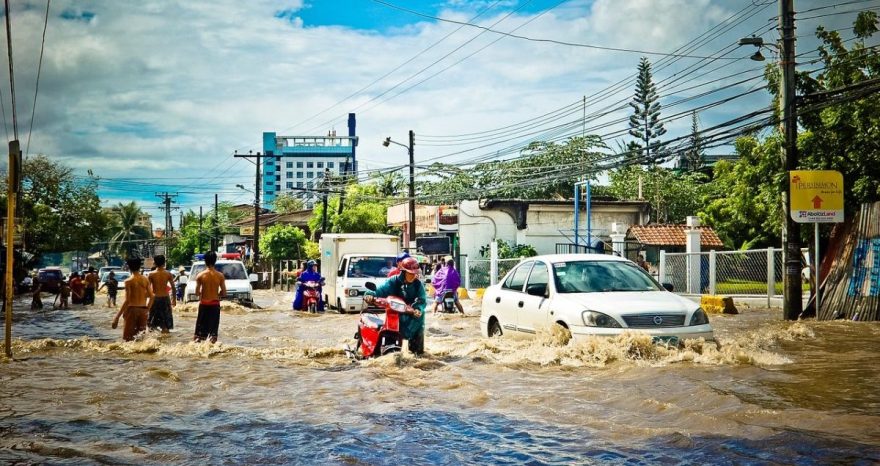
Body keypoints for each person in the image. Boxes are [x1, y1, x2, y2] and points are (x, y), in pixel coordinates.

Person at [364, 257, 427, 355]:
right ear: (404, 272)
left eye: (415, 273)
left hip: (414, 317)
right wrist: (370, 294)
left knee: (418, 354)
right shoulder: (393, 281)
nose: (413, 276)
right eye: (411, 273)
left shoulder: (418, 285)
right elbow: (380, 291)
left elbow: (422, 300)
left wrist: (418, 309)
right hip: (396, 315)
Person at [112, 257, 153, 341]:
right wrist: (147, 309)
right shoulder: (145, 279)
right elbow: (152, 296)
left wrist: (117, 317)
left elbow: (127, 300)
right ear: (139, 266)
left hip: (132, 310)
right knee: (140, 338)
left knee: (128, 339)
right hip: (143, 310)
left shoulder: (128, 281)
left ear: (129, 267)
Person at [193, 251, 226, 343]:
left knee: (198, 335)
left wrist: (203, 293)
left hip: (204, 304)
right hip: (215, 305)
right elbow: (224, 293)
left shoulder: (200, 275)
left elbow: (196, 293)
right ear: (215, 261)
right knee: (213, 334)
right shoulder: (220, 276)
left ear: (205, 261)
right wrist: (217, 294)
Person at [147, 255, 177, 334]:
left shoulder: (151, 274)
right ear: (164, 263)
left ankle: (154, 341)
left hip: (155, 299)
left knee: (151, 324)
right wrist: (174, 300)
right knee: (165, 324)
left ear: (155, 263)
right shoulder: (168, 274)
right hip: (165, 299)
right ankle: (165, 340)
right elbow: (173, 288)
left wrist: (147, 302)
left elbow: (147, 289)